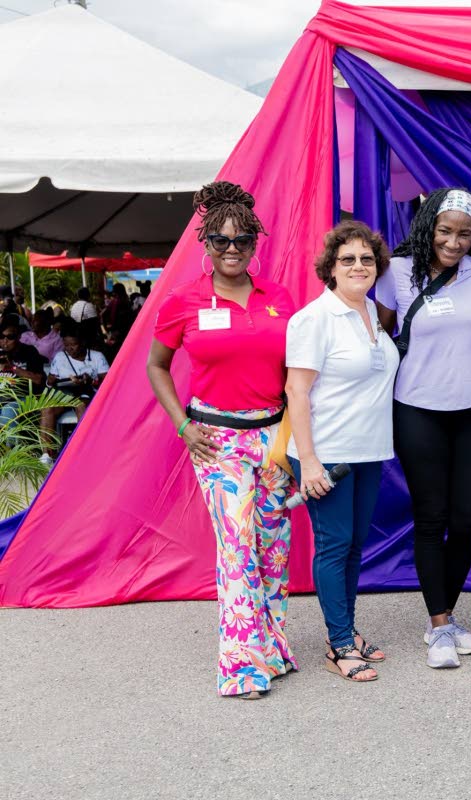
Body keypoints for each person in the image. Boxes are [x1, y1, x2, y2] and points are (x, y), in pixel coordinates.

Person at [147, 181, 296, 699]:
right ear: (204, 243)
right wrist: (184, 427)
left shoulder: (279, 298)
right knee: (236, 546)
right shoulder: (183, 302)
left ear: (256, 242)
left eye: (242, 240)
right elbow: (157, 366)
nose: (232, 249)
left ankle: (273, 648)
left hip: (275, 438)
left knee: (273, 548)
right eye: (220, 240)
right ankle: (241, 666)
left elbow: (296, 372)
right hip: (218, 440)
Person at [375, 188, 471, 669]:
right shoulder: (396, 272)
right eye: (445, 231)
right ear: (428, 227)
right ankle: (440, 624)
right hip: (417, 408)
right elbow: (378, 334)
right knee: (432, 517)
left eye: (464, 233)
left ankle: (446, 615)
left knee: (468, 518)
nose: (455, 241)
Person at [286, 220, 399, 683]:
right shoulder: (314, 318)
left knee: (354, 546)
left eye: (367, 259)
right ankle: (338, 646)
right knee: (334, 547)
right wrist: (308, 461)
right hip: (325, 453)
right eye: (347, 259)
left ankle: (348, 631)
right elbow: (296, 390)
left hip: (367, 452)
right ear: (331, 268)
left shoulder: (373, 312)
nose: (358, 266)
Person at [41, 325, 109, 460]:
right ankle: (48, 454)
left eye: (73, 344)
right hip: (64, 392)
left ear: (82, 342)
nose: (69, 348)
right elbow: (49, 384)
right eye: (66, 345)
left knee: (80, 404)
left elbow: (108, 381)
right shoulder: (60, 357)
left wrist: (90, 381)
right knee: (47, 409)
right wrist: (51, 380)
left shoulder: (96, 357)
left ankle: (82, 450)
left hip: (86, 393)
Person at [0, 315, 47, 454]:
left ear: (19, 336)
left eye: (10, 337)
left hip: (23, 398)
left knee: (8, 411)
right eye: (1, 337)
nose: (5, 341)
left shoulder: (29, 352)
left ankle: (13, 454)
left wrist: (13, 368)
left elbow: (39, 379)